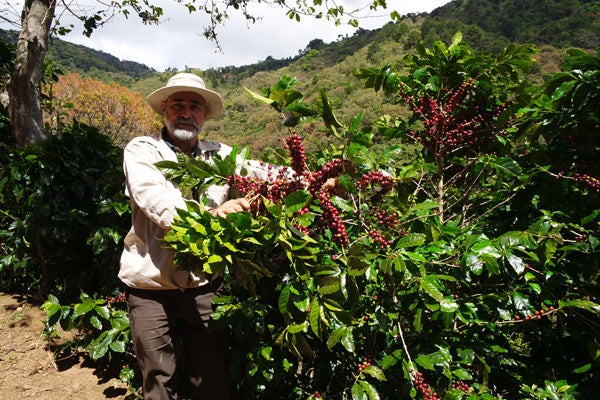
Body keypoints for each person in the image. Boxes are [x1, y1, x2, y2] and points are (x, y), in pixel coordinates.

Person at [119, 73, 256, 400]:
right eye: (177, 104)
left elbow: (263, 173)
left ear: (204, 114)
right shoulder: (142, 150)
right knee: (158, 379)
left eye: (194, 106)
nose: (186, 112)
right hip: (149, 286)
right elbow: (156, 200)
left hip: (202, 284)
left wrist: (315, 182)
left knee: (211, 379)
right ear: (163, 109)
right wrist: (210, 216)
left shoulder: (222, 155)